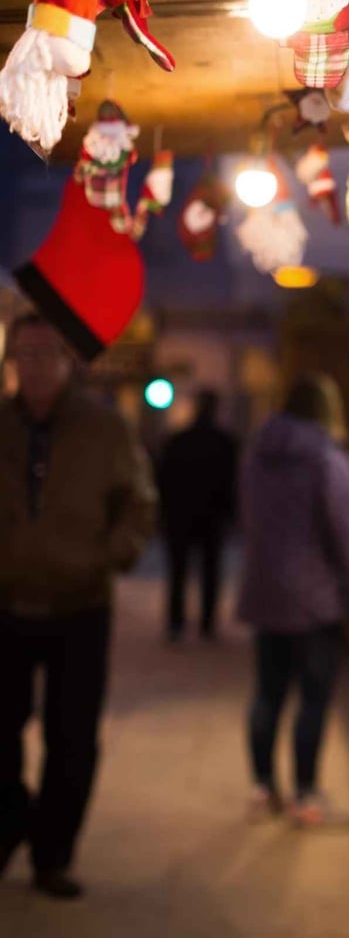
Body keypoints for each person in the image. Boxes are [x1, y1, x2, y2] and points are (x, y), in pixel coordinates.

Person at [0, 312, 156, 899]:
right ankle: (11, 816)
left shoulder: (103, 429)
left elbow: (138, 504)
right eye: (25, 354)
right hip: (6, 602)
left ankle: (52, 855)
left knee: (72, 737)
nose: (35, 365)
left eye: (46, 353)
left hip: (78, 604)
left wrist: (108, 558)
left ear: (68, 362)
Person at [236, 372, 349, 827]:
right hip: (316, 600)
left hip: (266, 593)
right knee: (314, 699)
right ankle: (305, 795)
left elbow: (246, 517)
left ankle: (263, 787)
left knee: (267, 693)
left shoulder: (257, 454)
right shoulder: (326, 460)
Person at [157, 389, 238, 642]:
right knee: (210, 572)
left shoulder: (178, 440)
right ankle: (207, 624)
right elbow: (231, 484)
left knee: (178, 572)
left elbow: (163, 480)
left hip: (180, 516)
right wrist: (230, 514)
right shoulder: (225, 443)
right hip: (211, 517)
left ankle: (176, 623)